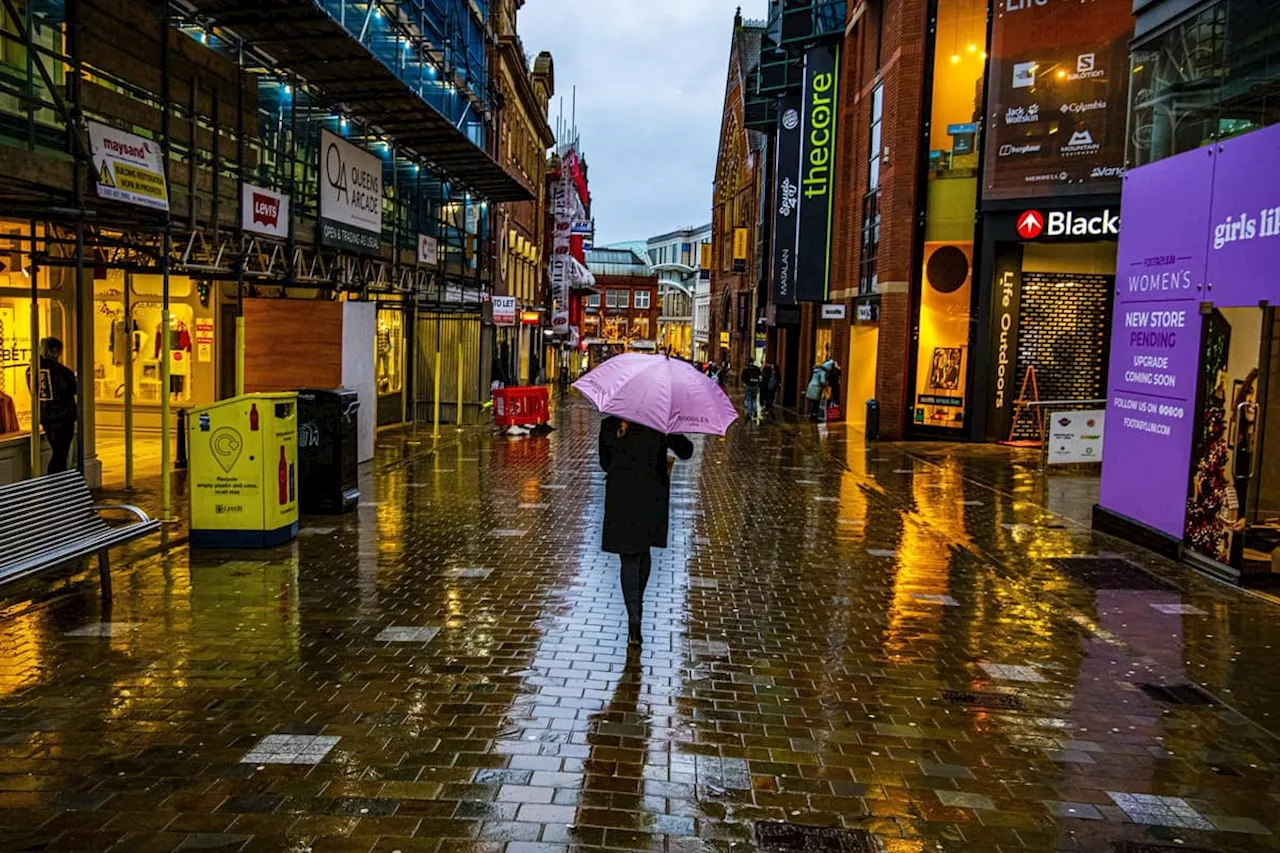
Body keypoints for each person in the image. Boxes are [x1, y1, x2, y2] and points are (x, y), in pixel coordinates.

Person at [598, 416, 694, 646]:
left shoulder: (610, 424)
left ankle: (634, 618)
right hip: (650, 495)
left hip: (621, 494)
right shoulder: (659, 423)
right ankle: (636, 610)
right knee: (642, 551)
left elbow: (605, 462)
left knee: (628, 558)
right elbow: (686, 450)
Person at [29, 337, 78, 474]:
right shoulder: (61, 371)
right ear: (55, 351)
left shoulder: (32, 369)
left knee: (58, 451)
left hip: (45, 415)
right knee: (61, 452)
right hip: (62, 415)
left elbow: (33, 392)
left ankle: (57, 480)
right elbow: (72, 389)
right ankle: (55, 481)